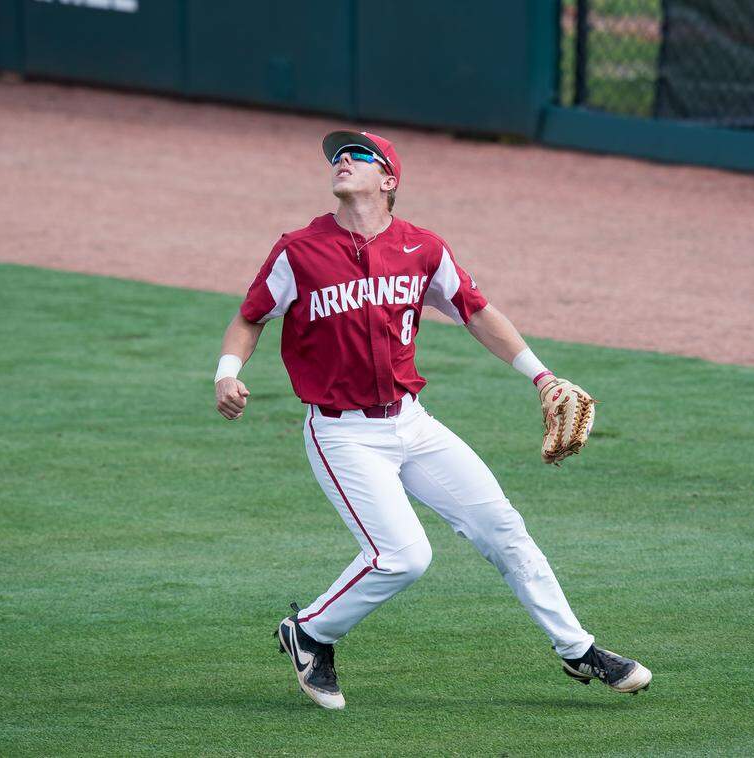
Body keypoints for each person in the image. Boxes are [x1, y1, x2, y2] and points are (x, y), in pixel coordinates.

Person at [214, 130, 651, 710]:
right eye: (337, 157)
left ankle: (578, 649)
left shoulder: (422, 248)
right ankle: (312, 631)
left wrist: (542, 376)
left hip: (412, 425)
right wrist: (226, 372)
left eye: (359, 156)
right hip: (342, 433)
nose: (343, 161)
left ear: (388, 180)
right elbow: (251, 317)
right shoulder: (299, 251)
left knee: (504, 529)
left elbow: (476, 312)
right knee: (403, 557)